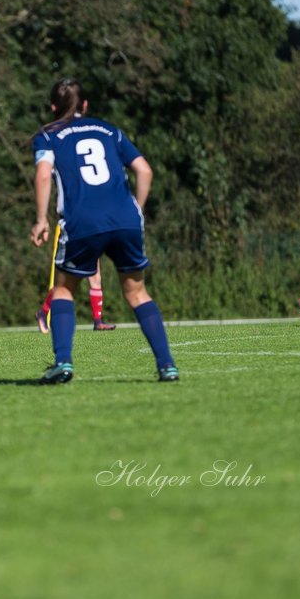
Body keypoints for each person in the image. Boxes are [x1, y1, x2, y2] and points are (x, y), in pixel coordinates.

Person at [30, 78, 178, 383]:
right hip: (125, 217)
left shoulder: (48, 134)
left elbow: (44, 175)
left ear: (53, 107)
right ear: (85, 106)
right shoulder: (110, 130)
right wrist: (136, 208)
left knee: (64, 290)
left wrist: (41, 219)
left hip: (82, 220)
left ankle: (63, 363)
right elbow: (144, 170)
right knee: (137, 292)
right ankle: (167, 366)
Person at [36, 256, 115, 333]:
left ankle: (98, 321)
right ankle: (43, 313)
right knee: (65, 282)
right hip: (76, 245)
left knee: (95, 279)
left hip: (92, 244)